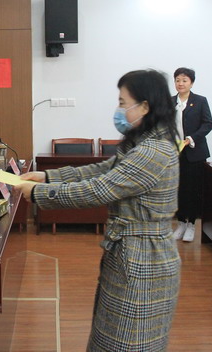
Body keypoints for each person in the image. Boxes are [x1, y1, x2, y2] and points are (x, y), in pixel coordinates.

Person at [15, 69, 181, 352]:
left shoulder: (153, 151)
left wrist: (40, 194)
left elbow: (101, 189)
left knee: (129, 343)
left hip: (144, 259)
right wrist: (48, 177)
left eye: (122, 102)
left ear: (144, 106)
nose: (118, 110)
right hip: (132, 252)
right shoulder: (143, 143)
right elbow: (101, 170)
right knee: (113, 337)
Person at [171, 67, 212, 243]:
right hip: (175, 153)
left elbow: (208, 124)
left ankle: (191, 224)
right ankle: (181, 223)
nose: (180, 83)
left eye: (184, 80)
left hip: (195, 152)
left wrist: (190, 139)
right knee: (178, 189)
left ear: (191, 83)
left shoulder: (200, 101)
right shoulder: (170, 102)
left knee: (193, 189)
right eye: (178, 80)